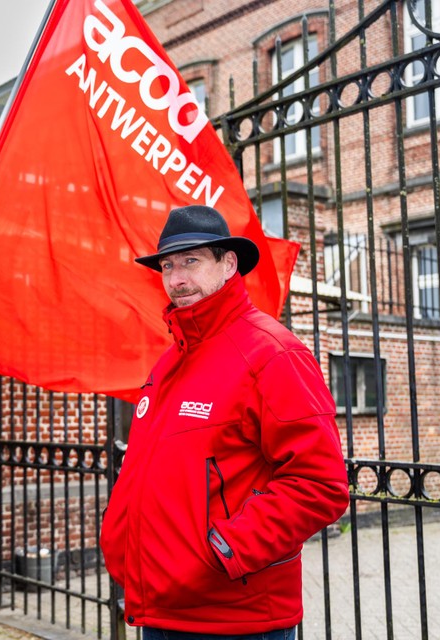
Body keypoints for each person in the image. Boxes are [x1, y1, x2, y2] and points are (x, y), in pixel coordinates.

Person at [100, 205, 349, 639]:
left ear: (228, 263)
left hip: (235, 616)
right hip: (161, 608)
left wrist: (222, 550)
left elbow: (320, 485)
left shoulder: (272, 354)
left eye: (191, 261)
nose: (176, 279)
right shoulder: (170, 362)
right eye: (167, 266)